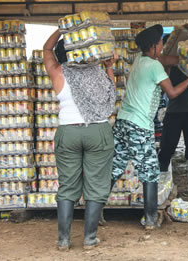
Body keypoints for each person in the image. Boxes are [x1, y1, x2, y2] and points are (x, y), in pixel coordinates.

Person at [111, 24, 188, 230]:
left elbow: (172, 58)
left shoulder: (141, 60)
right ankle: (150, 218)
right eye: (160, 42)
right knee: (150, 171)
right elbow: (172, 92)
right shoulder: (154, 66)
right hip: (139, 125)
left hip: (123, 121)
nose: (162, 45)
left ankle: (96, 211)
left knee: (115, 168)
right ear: (153, 46)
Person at [43, 29, 116, 250]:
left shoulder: (57, 71)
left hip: (68, 132)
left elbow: (46, 49)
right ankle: (89, 238)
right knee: (95, 186)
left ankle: (64, 239)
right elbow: (112, 94)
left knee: (67, 186)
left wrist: (61, 29)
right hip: (97, 132)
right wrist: (109, 66)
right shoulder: (96, 72)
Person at [157, 65, 188, 195]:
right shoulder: (172, 64)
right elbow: (164, 90)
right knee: (166, 149)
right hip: (173, 111)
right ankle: (162, 184)